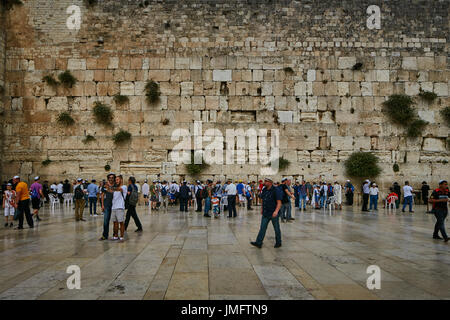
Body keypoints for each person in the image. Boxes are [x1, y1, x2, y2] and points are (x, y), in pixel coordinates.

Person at [250, 177, 283, 248]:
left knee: (276, 228)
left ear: (270, 182)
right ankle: (259, 242)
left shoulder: (276, 190)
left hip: (273, 212)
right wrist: (262, 208)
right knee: (262, 228)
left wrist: (276, 211)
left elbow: (279, 202)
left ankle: (278, 242)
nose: (264, 182)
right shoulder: (264, 190)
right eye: (265, 181)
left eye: (266, 181)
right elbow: (263, 200)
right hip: (265, 212)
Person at [99, 173, 115, 240]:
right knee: (106, 221)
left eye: (112, 177)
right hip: (107, 205)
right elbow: (102, 195)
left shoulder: (116, 185)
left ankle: (115, 235)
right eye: (110, 177)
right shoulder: (105, 186)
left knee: (115, 221)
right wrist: (102, 205)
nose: (111, 179)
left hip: (114, 205)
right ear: (108, 178)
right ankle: (105, 235)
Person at [112, 175, 127, 241]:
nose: (116, 181)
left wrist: (110, 187)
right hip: (114, 207)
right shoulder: (114, 188)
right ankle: (115, 235)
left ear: (121, 180)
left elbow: (119, 189)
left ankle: (121, 236)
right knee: (115, 222)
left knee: (121, 222)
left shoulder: (124, 187)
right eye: (116, 180)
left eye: (117, 179)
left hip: (120, 207)